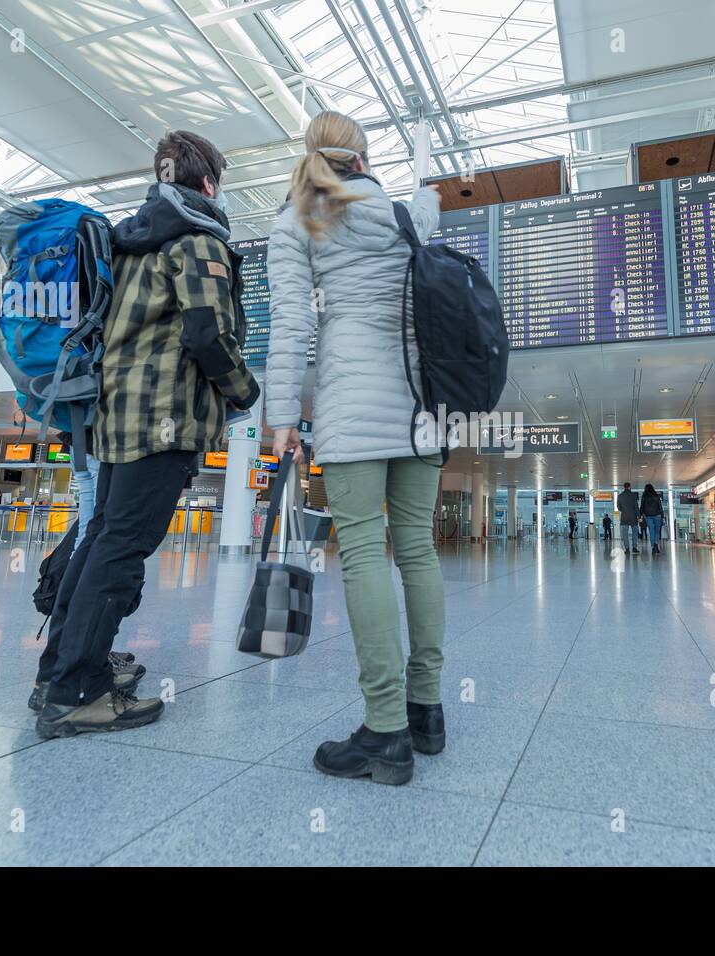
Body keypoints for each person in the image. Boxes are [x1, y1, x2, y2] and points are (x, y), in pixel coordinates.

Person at [33, 130, 259, 739]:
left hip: (116, 416)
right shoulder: (197, 238)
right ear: (209, 183)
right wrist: (246, 392)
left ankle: (56, 670)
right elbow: (209, 333)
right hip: (165, 419)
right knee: (120, 547)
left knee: (101, 536)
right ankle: (76, 691)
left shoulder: (128, 240)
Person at [267, 110, 443, 787]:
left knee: (366, 552)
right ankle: (427, 711)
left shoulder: (297, 221)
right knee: (419, 549)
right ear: (363, 155)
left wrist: (282, 414)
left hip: (351, 403)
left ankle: (386, 730)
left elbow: (291, 323)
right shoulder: (405, 214)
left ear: (310, 152)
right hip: (423, 405)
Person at [617, 481, 640, 554]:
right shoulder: (633, 495)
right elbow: (636, 507)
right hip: (633, 516)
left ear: (624, 487)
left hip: (624, 517)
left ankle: (627, 549)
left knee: (625, 534)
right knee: (635, 532)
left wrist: (624, 510)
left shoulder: (620, 496)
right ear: (630, 487)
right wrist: (639, 516)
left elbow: (618, 507)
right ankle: (634, 547)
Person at [642, 483, 665, 555]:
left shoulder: (644, 496)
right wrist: (662, 516)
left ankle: (653, 547)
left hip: (648, 516)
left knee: (651, 531)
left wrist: (640, 515)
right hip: (657, 515)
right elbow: (660, 507)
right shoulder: (657, 496)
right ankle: (656, 545)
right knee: (657, 531)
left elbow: (642, 506)